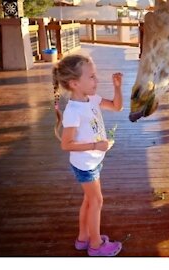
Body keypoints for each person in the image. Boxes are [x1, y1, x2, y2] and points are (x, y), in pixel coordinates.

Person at [52, 54, 123, 256]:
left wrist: (117, 87)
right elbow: (66, 144)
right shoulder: (73, 111)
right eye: (91, 76)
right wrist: (96, 144)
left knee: (89, 200)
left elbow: (117, 107)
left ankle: (83, 238)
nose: (96, 80)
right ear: (74, 83)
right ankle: (96, 245)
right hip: (85, 165)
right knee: (97, 201)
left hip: (92, 161)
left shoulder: (91, 100)